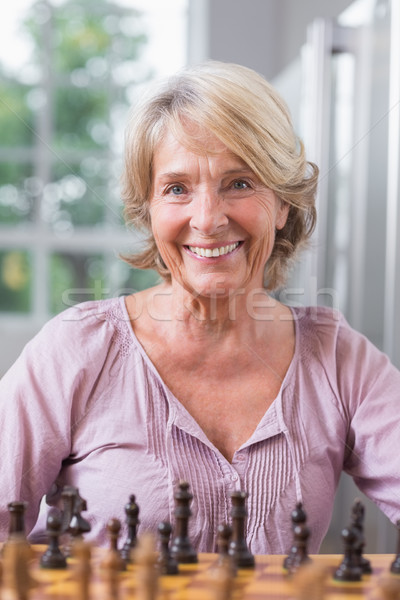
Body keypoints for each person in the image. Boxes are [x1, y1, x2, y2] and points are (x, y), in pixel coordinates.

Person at [0, 60, 399, 554]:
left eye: (239, 183)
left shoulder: (340, 359)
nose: (207, 220)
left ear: (283, 205)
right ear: (149, 211)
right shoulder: (76, 348)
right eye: (176, 189)